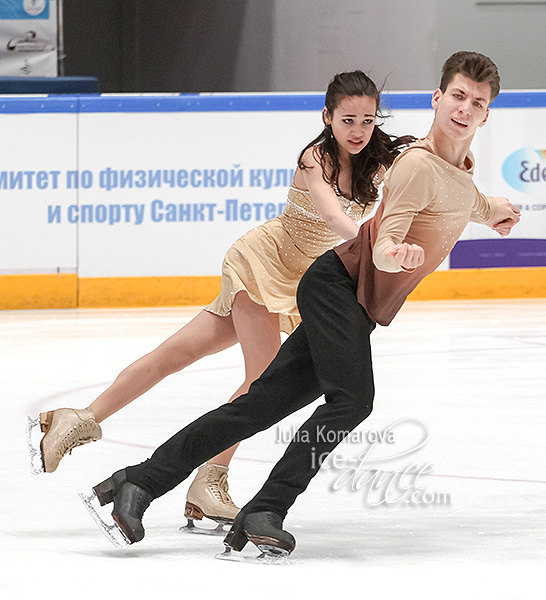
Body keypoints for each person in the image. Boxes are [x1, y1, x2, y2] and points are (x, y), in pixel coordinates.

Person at [83, 51, 521, 556]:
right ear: (438, 99)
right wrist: (395, 252)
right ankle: (267, 507)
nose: (465, 109)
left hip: (349, 301)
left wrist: (496, 212)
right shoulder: (418, 164)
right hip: (337, 287)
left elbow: (464, 198)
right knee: (353, 401)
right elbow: (384, 238)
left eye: (477, 102)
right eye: (458, 97)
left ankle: (137, 482)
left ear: (487, 114)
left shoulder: (458, 170)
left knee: (259, 406)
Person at [36, 70, 414, 528]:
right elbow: (334, 217)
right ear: (327, 117)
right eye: (348, 119)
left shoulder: (377, 160)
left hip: (306, 283)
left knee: (175, 354)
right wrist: (375, 250)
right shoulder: (316, 158)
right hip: (264, 262)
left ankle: (76, 418)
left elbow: (422, 170)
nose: (358, 130)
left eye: (367, 121)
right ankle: (207, 481)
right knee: (263, 384)